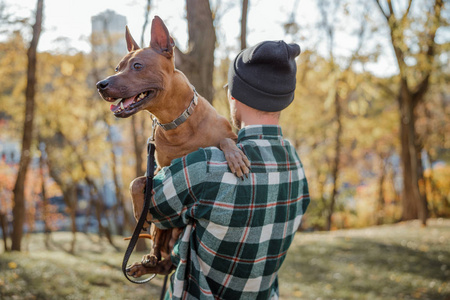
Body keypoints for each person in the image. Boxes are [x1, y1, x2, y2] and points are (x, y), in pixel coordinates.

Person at [148, 40, 310, 299]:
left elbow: (150, 207)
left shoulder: (205, 166)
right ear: (285, 99)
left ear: (234, 96)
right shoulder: (297, 168)